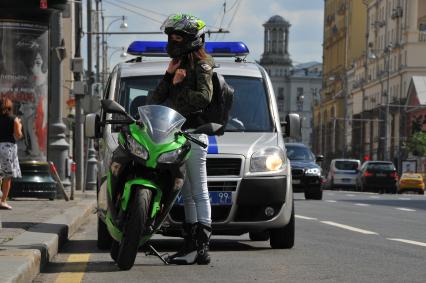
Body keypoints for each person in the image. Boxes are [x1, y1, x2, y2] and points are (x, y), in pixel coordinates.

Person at [147, 13, 214, 265]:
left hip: (195, 134)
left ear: (192, 40)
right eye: (171, 37)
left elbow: (204, 97)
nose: (172, 42)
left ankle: (203, 246)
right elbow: (153, 102)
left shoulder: (203, 65)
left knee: (199, 189)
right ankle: (190, 245)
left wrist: (176, 92)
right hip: (174, 134)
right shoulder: (177, 65)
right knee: (185, 191)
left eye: (177, 38)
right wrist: (168, 77)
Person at [0, 97, 23, 209]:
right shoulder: (13, 119)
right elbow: (18, 135)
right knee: (7, 176)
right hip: (7, 148)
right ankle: (3, 201)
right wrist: (20, 125)